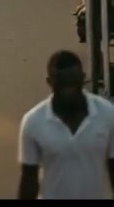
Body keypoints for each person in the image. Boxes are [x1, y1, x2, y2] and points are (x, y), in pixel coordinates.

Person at [18, 50, 114, 200]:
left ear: (82, 79)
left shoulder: (107, 113)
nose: (68, 91)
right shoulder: (33, 121)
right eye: (62, 85)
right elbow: (29, 180)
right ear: (49, 82)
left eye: (73, 84)